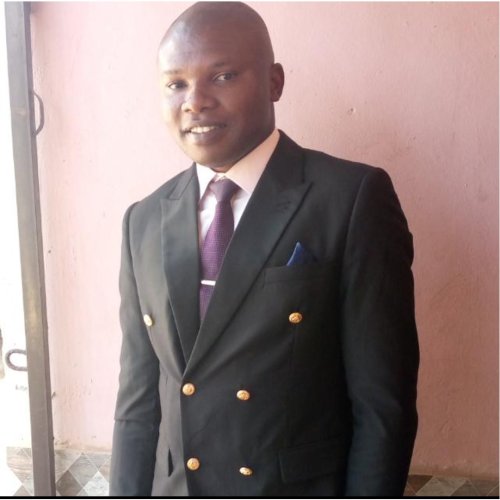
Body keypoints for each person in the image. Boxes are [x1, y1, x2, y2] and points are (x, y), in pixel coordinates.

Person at [109, 2, 419, 497]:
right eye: (176, 84)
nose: (195, 102)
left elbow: (383, 406)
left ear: (275, 82)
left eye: (223, 76)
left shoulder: (350, 199)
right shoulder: (142, 221)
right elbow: (137, 405)